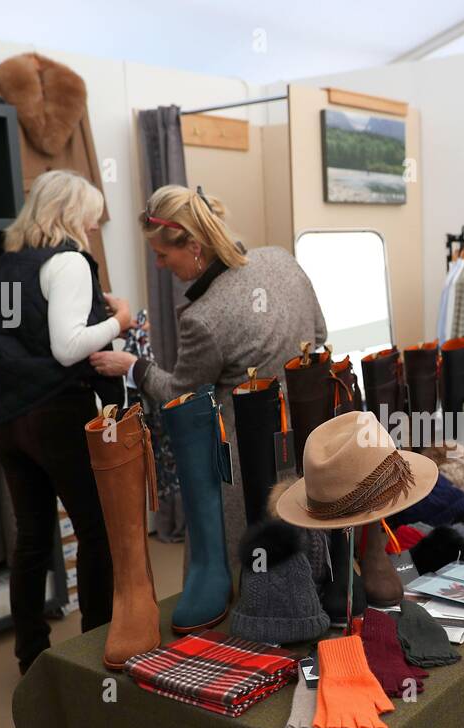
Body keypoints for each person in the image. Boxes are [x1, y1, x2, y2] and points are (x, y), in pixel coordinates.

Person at [88, 185, 326, 560]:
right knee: (309, 554)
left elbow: (182, 395)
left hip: (246, 459)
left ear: (195, 247)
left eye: (162, 254)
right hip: (309, 441)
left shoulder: (205, 317)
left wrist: (135, 367)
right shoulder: (282, 260)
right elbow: (320, 334)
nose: (159, 266)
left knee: (250, 568)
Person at [0, 170, 133, 674]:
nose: (92, 227)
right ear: (71, 213)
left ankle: (31, 653)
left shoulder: (4, 265)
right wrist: (121, 322)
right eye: (90, 217)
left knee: (31, 537)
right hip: (56, 412)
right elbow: (68, 348)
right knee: (95, 531)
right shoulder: (67, 261)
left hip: (9, 419)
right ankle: (95, 645)